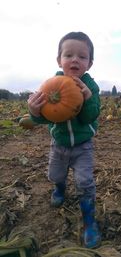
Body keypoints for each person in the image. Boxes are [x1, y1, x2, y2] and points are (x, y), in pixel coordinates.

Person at [27, 31, 101, 248]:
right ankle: (59, 188)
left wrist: (87, 98)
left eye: (82, 56)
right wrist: (34, 111)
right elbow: (41, 120)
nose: (75, 59)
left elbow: (91, 116)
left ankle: (89, 222)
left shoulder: (91, 87)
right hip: (58, 145)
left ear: (89, 63)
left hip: (83, 146)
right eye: (69, 55)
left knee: (85, 182)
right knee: (55, 174)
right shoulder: (49, 86)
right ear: (59, 60)